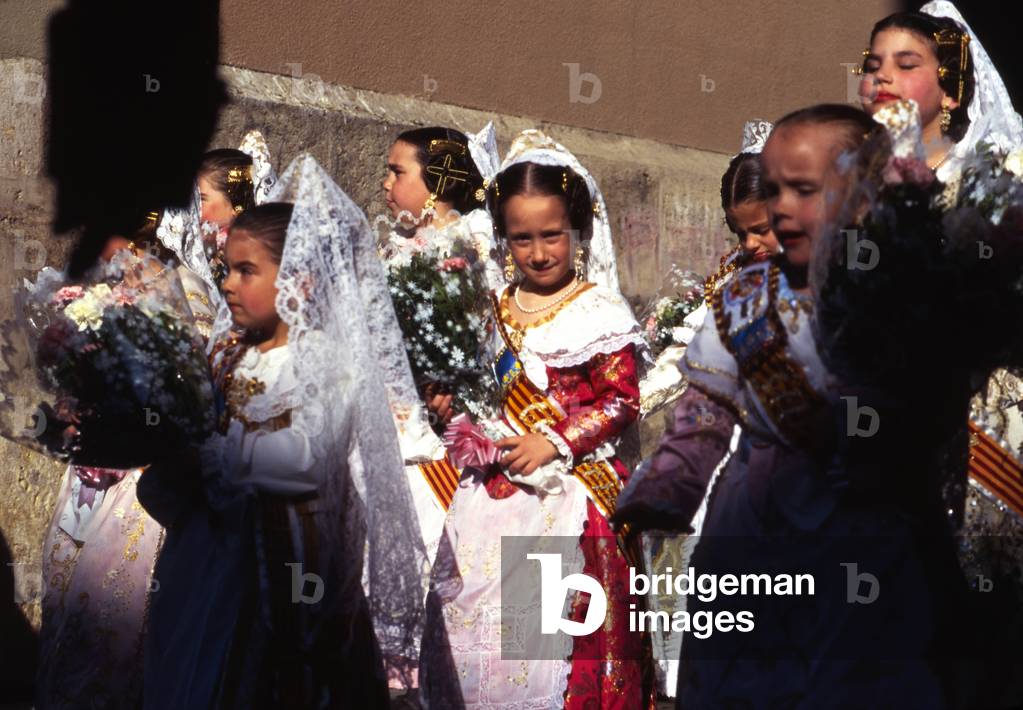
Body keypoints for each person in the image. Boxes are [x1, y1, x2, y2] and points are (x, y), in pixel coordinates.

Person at [420, 129, 655, 709]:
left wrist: (553, 441)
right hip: (489, 495)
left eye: (552, 235)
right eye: (522, 238)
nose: (539, 252)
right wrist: (451, 411)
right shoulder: (493, 307)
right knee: (479, 636)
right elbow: (480, 395)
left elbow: (621, 401)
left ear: (578, 230)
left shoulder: (598, 309)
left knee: (547, 639)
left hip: (569, 492)